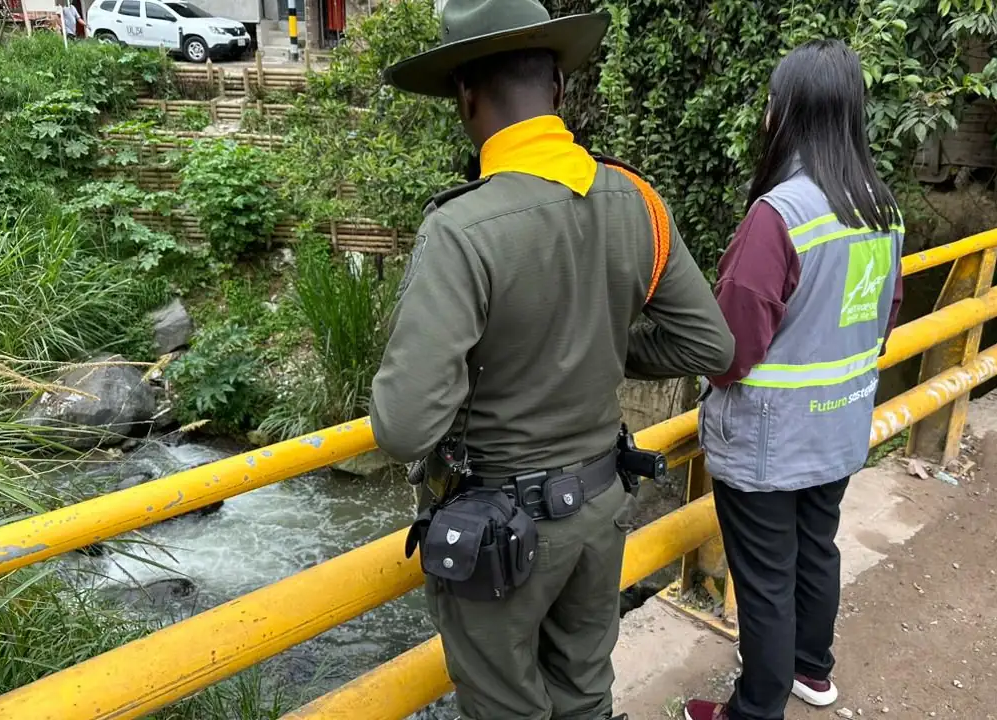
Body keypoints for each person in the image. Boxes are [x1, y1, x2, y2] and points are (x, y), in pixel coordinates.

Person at [369, 2, 735, 719]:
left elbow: (404, 427)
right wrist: (599, 343)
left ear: (466, 99)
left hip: (498, 533)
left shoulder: (461, 229)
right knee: (584, 691)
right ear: (560, 93)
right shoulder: (636, 201)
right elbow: (710, 346)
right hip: (600, 503)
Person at [684, 39, 905, 720]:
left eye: (771, 102)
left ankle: (755, 710)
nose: (766, 114)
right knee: (817, 551)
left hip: (768, 441)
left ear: (789, 113)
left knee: (767, 582)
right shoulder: (881, 208)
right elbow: (884, 315)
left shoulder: (779, 216)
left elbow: (731, 345)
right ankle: (814, 671)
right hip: (838, 426)